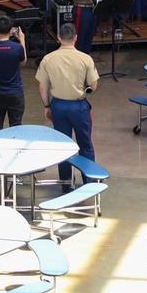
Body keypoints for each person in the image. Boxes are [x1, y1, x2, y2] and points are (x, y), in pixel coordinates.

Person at [36, 23, 98, 188]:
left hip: (58, 106)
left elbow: (42, 87)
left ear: (58, 37)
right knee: (85, 144)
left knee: (63, 145)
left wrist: (47, 106)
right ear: (76, 38)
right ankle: (89, 182)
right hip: (79, 107)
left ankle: (65, 183)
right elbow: (93, 85)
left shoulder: (48, 59)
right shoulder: (86, 59)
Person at [0, 15, 27, 130]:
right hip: (15, 91)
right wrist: (22, 40)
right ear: (11, 30)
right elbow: (23, 62)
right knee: (16, 126)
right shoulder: (17, 48)